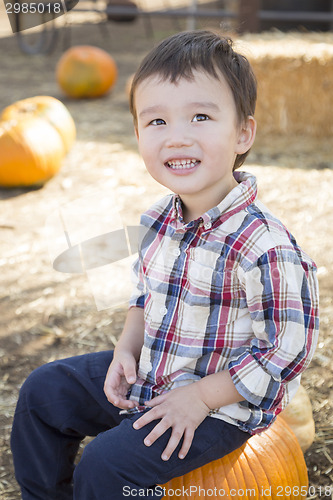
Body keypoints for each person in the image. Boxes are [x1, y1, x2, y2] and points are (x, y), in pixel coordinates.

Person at [11, 30, 319, 499]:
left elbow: (287, 350)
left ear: (243, 133)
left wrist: (199, 397)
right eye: (156, 121)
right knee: (43, 392)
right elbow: (145, 296)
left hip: (221, 408)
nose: (177, 137)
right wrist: (125, 352)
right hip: (156, 372)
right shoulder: (157, 219)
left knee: (105, 466)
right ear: (136, 133)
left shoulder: (264, 245)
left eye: (200, 117)